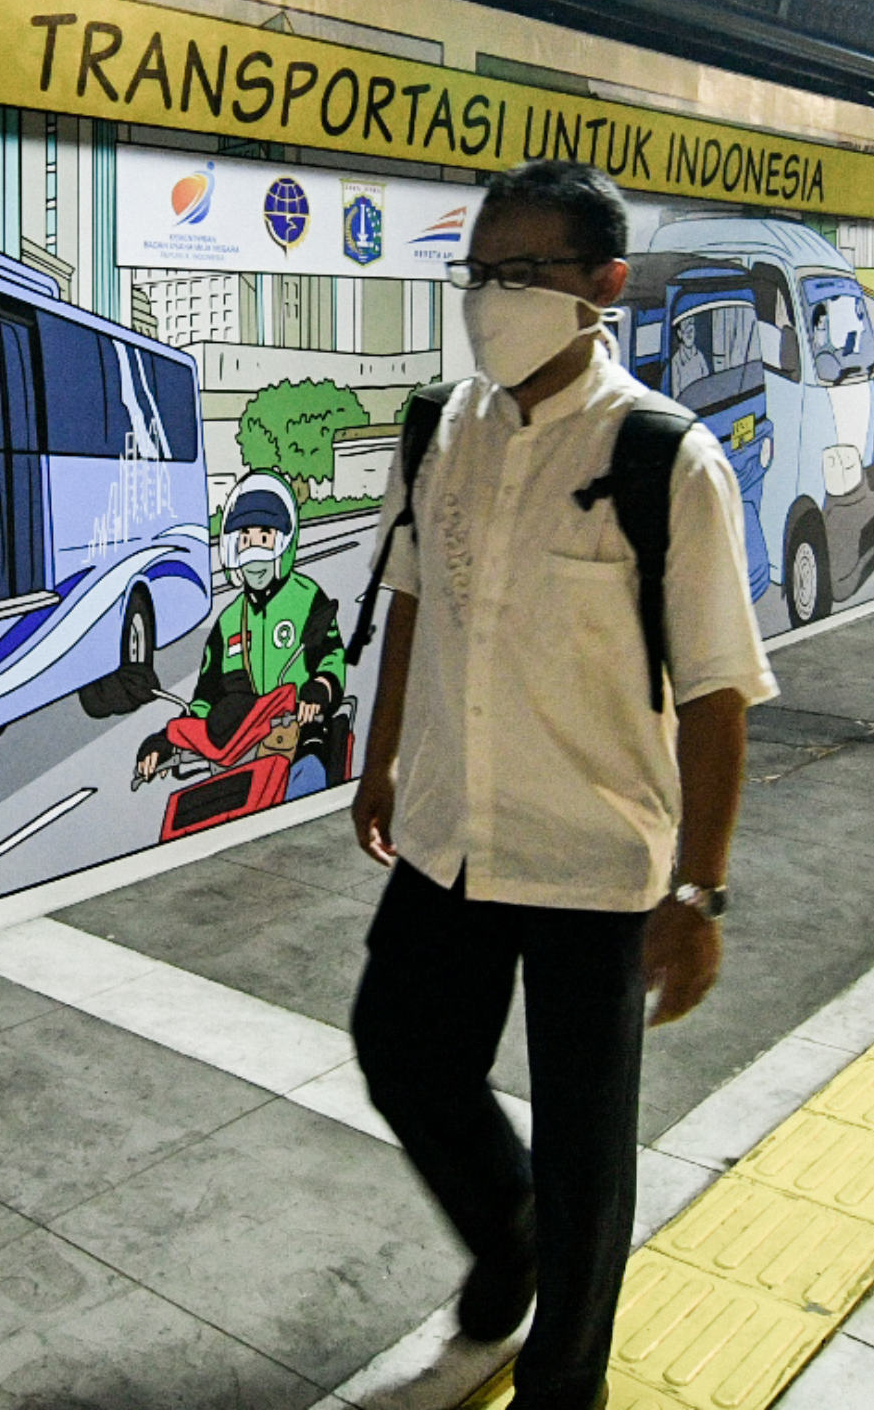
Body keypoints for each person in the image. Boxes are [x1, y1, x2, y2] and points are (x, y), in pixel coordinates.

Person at [348, 160, 775, 1410]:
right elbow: (413, 599)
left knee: (588, 1146)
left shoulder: (664, 459)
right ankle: (511, 1230)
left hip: (594, 857)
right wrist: (381, 756)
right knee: (399, 1050)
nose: (493, 298)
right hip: (450, 831)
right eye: (481, 271)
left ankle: (564, 1380)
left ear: (605, 285)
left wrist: (699, 891)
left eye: (525, 272)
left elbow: (718, 691)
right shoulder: (442, 426)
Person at [133, 467, 354, 803]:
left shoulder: (307, 598)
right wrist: (167, 740)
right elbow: (206, 697)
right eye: (245, 538)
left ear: (283, 540)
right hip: (240, 749)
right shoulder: (228, 622)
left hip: (298, 733)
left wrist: (320, 688)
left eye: (264, 536)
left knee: (306, 780)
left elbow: (331, 655)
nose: (254, 549)